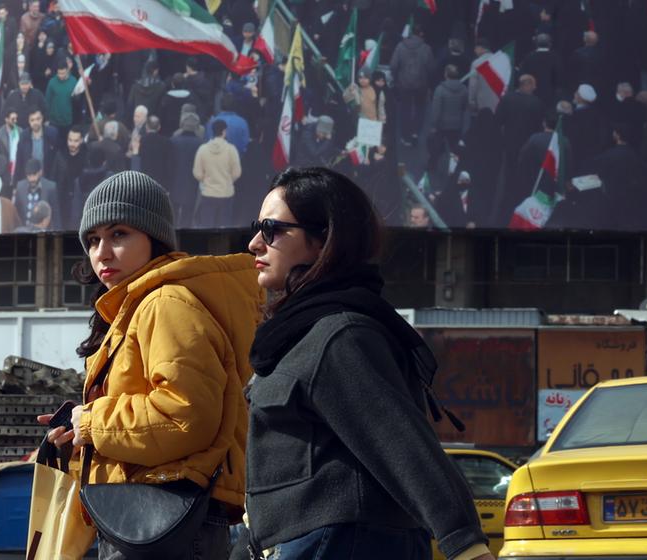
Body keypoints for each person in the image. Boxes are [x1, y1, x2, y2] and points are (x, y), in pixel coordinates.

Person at [244, 167, 490, 560]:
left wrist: (466, 545)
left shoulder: (340, 335)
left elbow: (401, 441)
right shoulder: (300, 334)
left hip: (344, 544)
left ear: (323, 240)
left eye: (271, 229)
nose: (255, 243)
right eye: (257, 228)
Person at [36, 171, 262, 560]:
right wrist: (81, 437)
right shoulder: (137, 307)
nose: (102, 252)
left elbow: (184, 416)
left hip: (167, 525)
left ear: (154, 238)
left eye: (119, 234)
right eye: (93, 240)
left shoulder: (165, 303)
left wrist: (91, 422)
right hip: (149, 519)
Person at [192, 120, 242, 229]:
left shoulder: (203, 149)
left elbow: (197, 173)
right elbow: (237, 173)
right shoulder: (231, 149)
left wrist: (205, 180)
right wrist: (228, 180)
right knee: (224, 228)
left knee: (207, 227)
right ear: (224, 131)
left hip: (208, 193)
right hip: (226, 193)